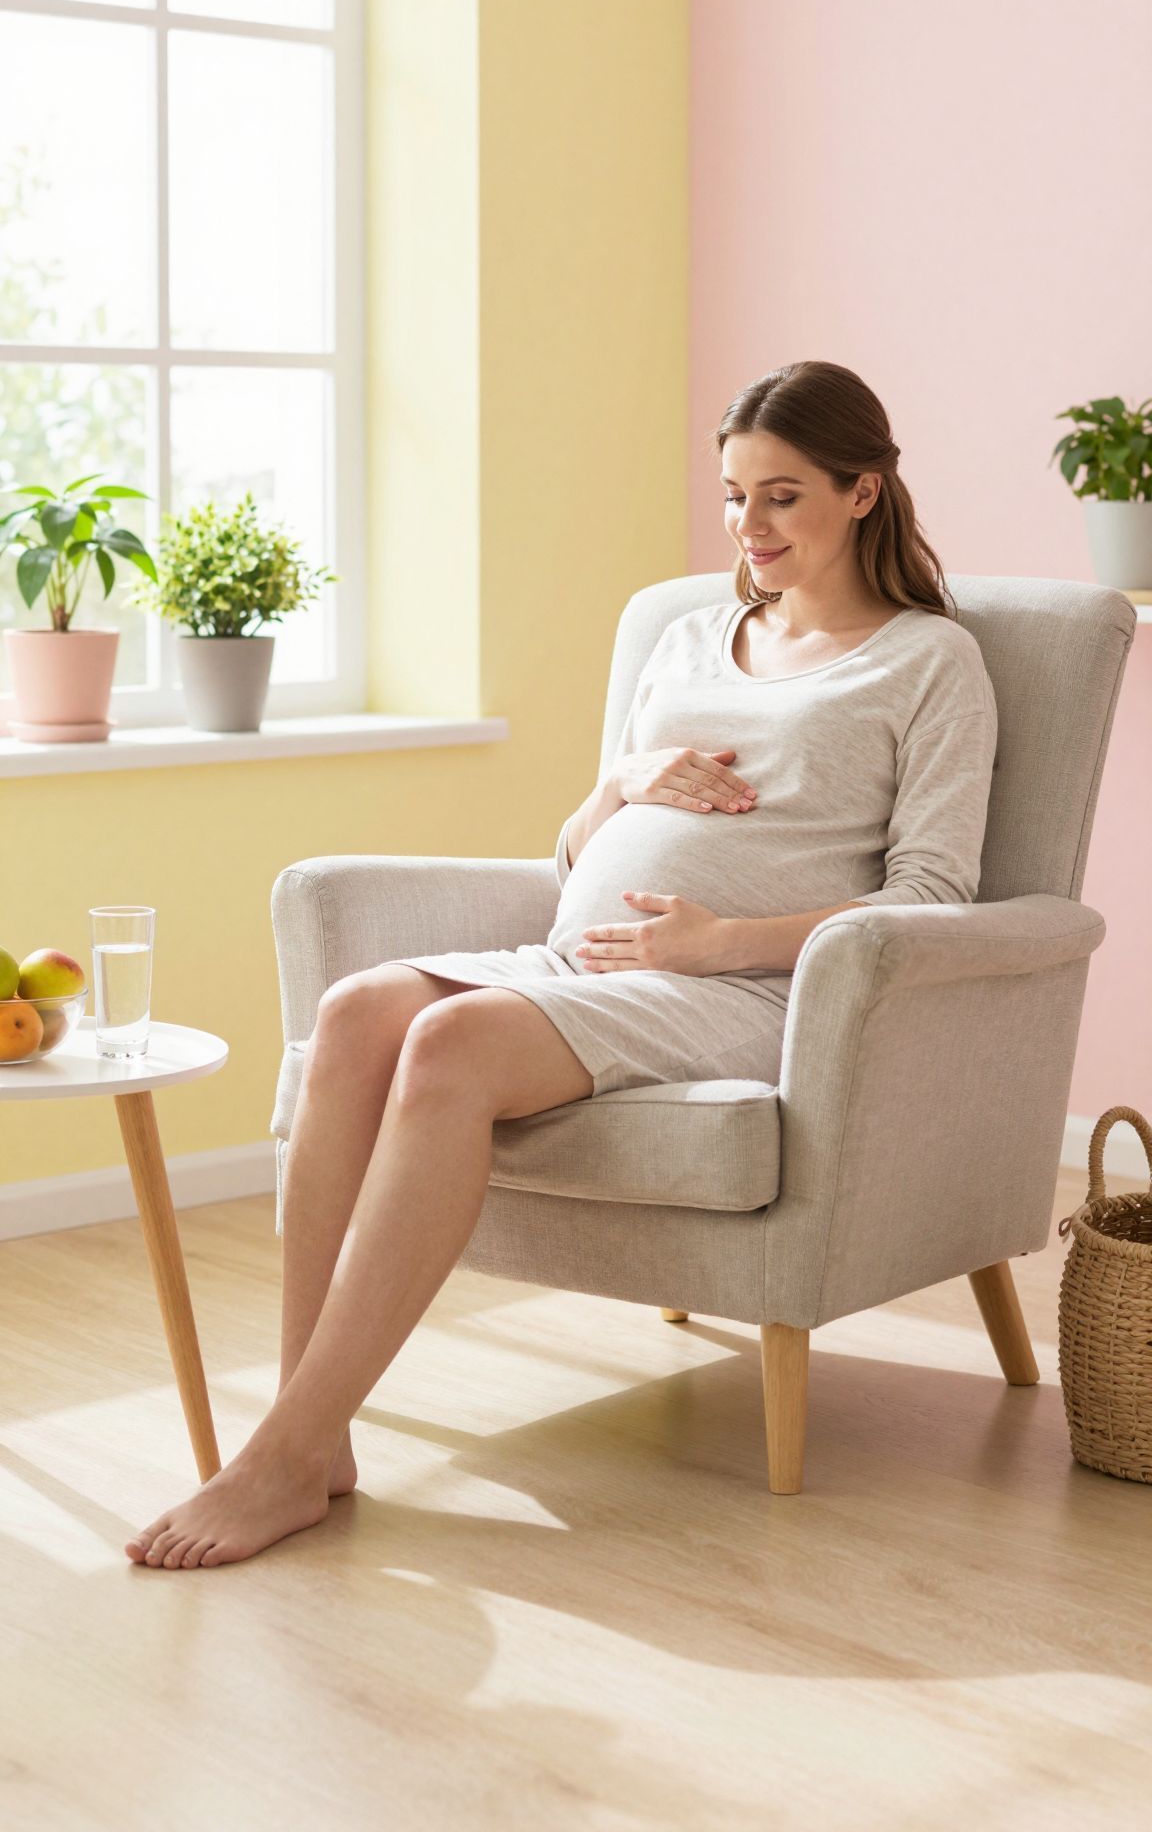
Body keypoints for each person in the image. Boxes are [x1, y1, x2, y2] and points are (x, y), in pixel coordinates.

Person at [125, 359, 997, 1568]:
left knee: (450, 1040)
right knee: (358, 1010)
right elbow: (573, 852)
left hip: (743, 989)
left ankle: (280, 1455)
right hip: (579, 957)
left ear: (863, 491)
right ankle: (311, 1433)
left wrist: (719, 940)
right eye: (734, 494)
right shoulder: (689, 636)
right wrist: (621, 781)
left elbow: (933, 898)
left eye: (782, 496)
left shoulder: (928, 661)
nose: (748, 525)